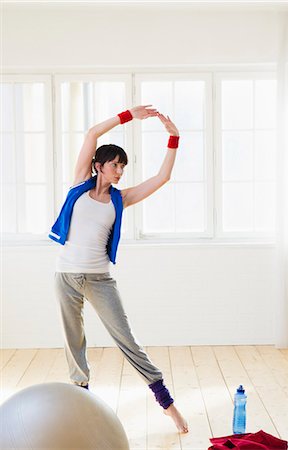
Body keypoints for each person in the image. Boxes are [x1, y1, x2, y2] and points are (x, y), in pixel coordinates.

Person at [49, 105, 188, 433]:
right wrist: (128, 115)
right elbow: (93, 133)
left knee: (127, 340)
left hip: (99, 279)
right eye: (115, 164)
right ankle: (80, 398)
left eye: (123, 166)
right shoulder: (79, 184)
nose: (120, 171)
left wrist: (174, 139)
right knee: (74, 340)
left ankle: (167, 404)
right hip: (66, 276)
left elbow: (162, 178)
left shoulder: (120, 199)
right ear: (98, 166)